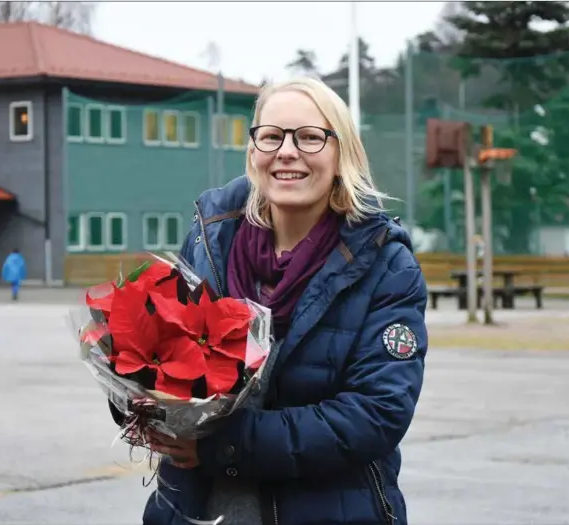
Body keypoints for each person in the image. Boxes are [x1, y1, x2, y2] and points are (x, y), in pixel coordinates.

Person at [133, 77, 428, 525]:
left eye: (310, 137)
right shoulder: (210, 239)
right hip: (195, 506)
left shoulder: (387, 265)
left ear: (341, 153)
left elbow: (376, 413)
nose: (287, 151)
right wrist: (139, 406)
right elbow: (151, 353)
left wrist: (219, 445)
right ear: (253, 152)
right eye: (271, 136)